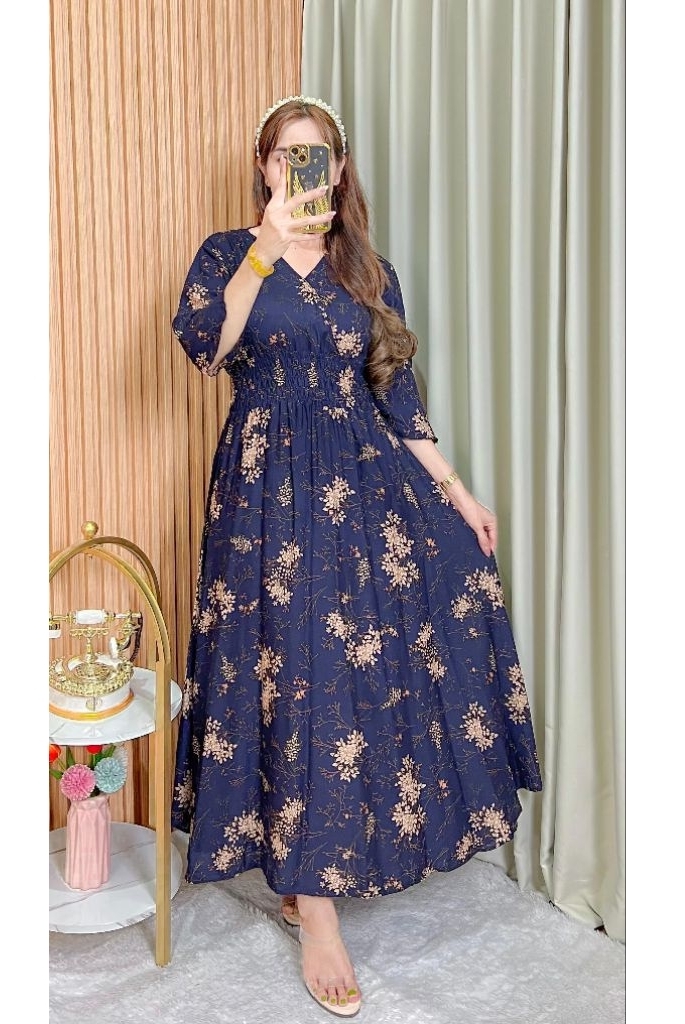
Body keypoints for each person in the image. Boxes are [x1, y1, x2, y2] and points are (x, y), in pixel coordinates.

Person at [171, 95, 542, 1018]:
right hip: (265, 495)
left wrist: (458, 492)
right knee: (289, 671)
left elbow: (396, 397)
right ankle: (318, 910)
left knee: (341, 676)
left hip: (363, 488)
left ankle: (320, 876)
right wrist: (266, 244)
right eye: (285, 156)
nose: (301, 170)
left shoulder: (368, 272)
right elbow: (206, 349)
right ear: (264, 167)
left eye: (317, 157)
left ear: (338, 171)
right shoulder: (227, 255)